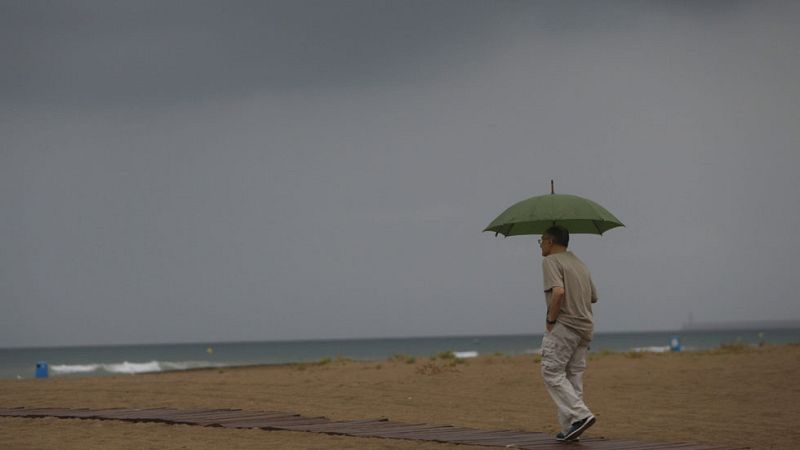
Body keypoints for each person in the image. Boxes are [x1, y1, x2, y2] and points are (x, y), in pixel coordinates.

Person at [538, 225, 597, 442]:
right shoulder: (580, 263)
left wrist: (550, 320)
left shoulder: (551, 261)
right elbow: (593, 297)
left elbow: (558, 292)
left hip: (566, 325)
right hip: (585, 327)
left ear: (550, 241)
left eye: (541, 241)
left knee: (551, 372)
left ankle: (580, 415)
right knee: (573, 376)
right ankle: (570, 427)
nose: (540, 245)